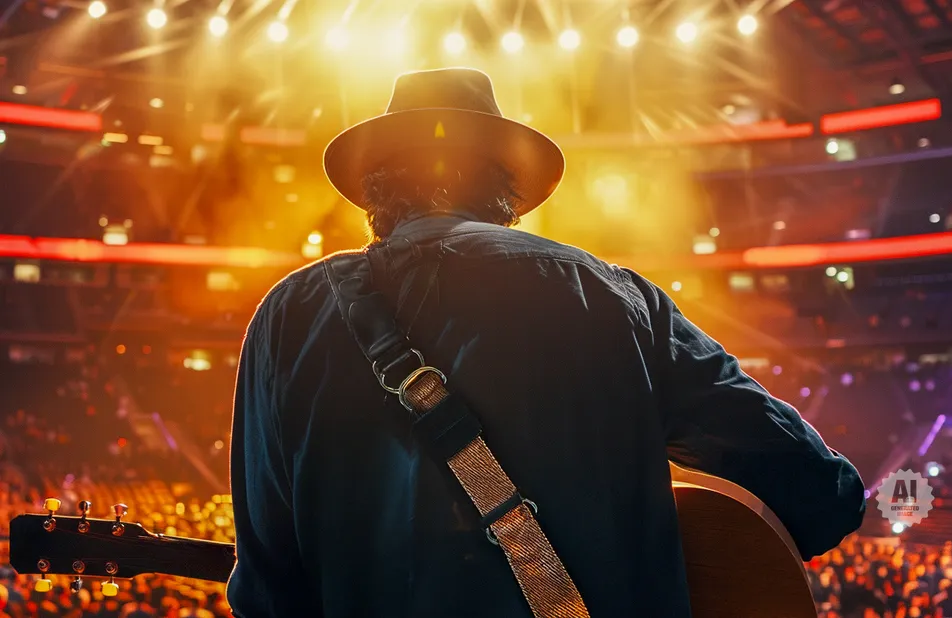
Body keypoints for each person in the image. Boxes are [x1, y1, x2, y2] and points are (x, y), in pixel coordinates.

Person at [227, 67, 866, 618]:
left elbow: (267, 591)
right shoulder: (611, 296)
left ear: (375, 192)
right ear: (507, 190)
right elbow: (822, 495)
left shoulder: (287, 316)